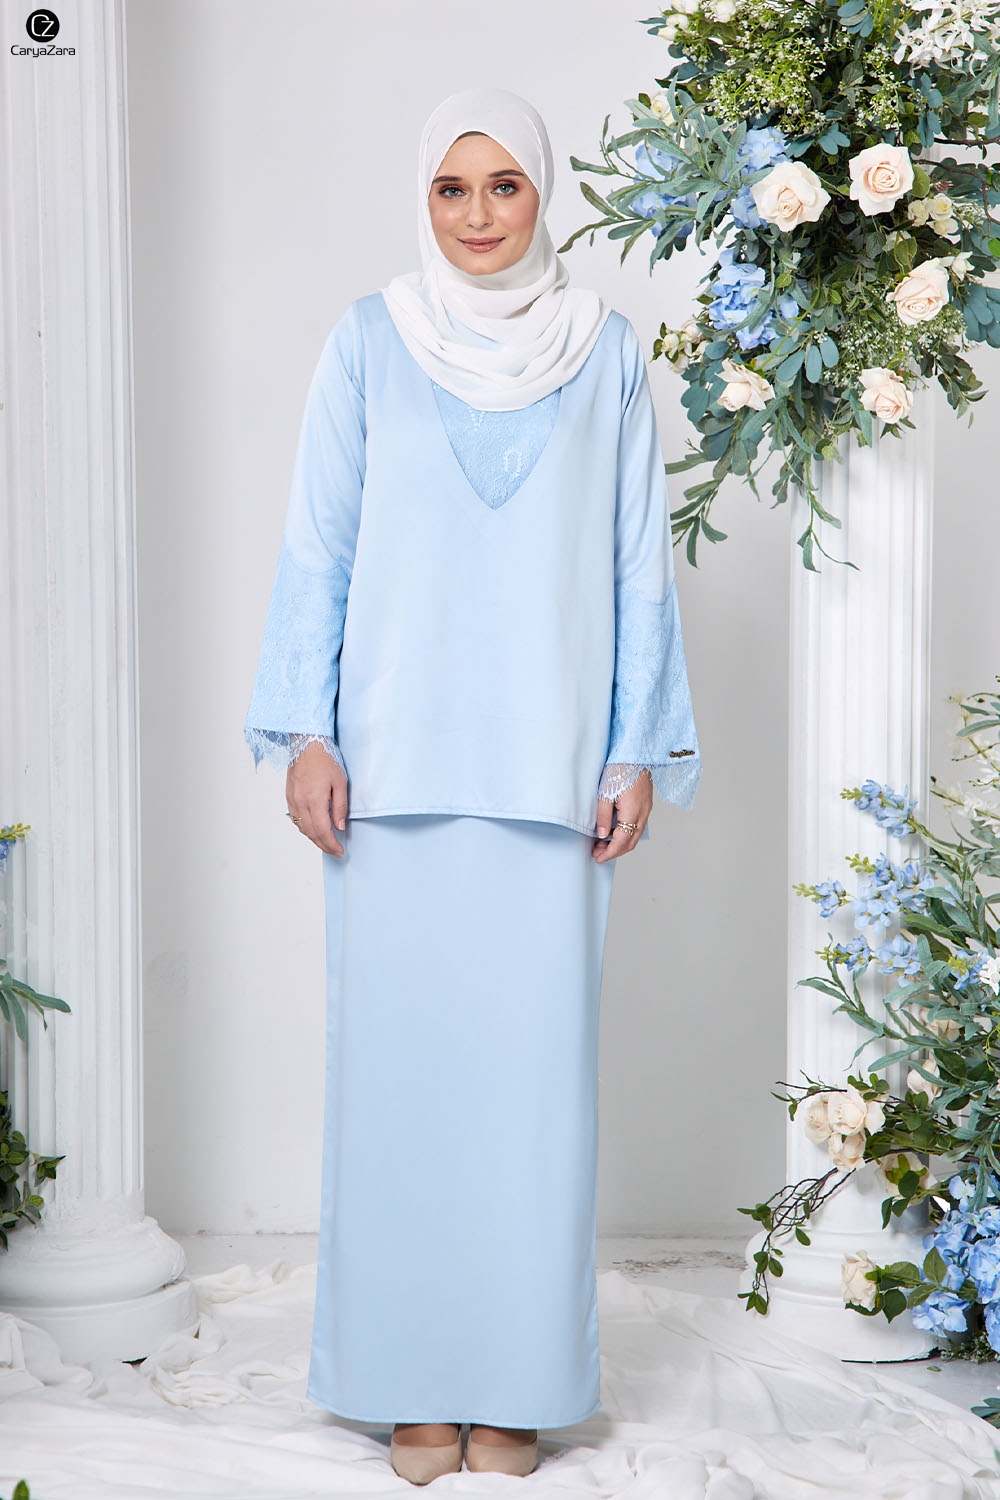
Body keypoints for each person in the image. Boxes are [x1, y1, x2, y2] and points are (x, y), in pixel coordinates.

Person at [244, 87, 700, 1486]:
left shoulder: (604, 351)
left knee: (530, 1108)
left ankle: (515, 1383)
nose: (480, 214)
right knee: (399, 1098)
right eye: (454, 188)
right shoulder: (368, 342)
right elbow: (318, 545)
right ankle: (405, 1379)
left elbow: (636, 560)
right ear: (423, 200)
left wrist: (633, 749)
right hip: (389, 779)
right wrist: (304, 732)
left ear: (544, 196)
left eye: (507, 186)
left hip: (550, 782)